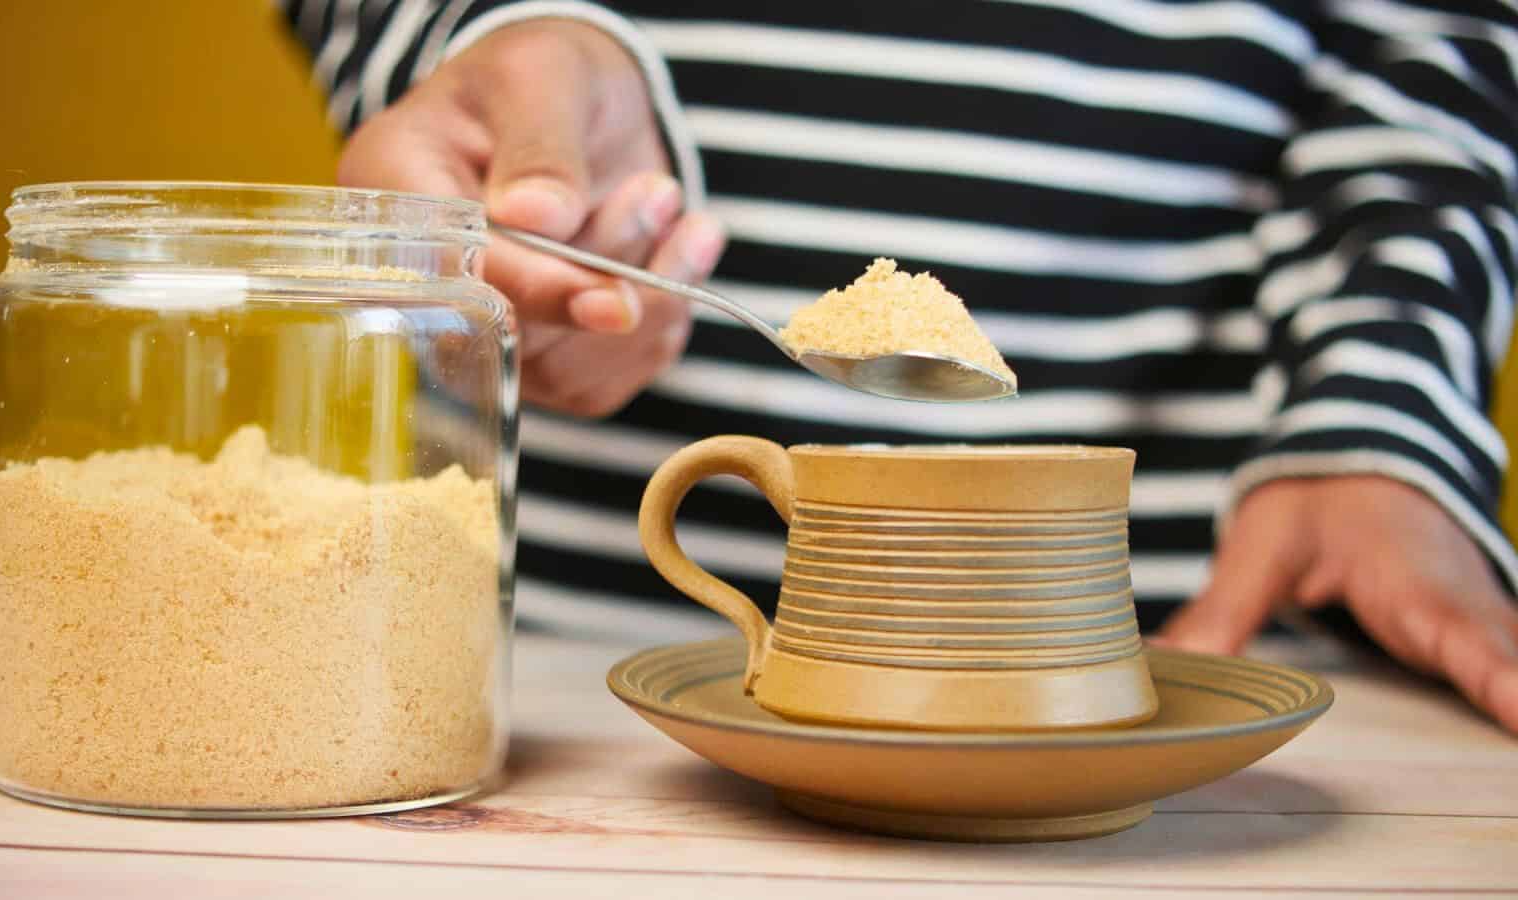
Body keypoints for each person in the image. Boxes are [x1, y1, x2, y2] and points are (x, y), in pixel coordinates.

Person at [281, 0, 1518, 732]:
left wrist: (1380, 409)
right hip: (573, 688)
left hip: (1200, 648)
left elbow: (1445, 52)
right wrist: (485, 52)